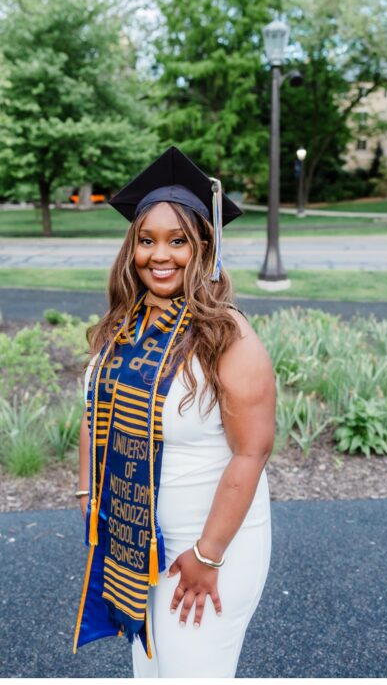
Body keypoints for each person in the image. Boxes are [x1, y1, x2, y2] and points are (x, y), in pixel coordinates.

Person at [72, 147, 275, 677]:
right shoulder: (123, 325)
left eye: (177, 240)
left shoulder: (227, 336)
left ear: (204, 247)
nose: (159, 255)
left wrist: (208, 556)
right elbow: (95, 414)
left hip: (209, 547)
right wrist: (90, 497)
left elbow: (252, 452)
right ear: (131, 248)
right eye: (147, 240)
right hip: (138, 547)